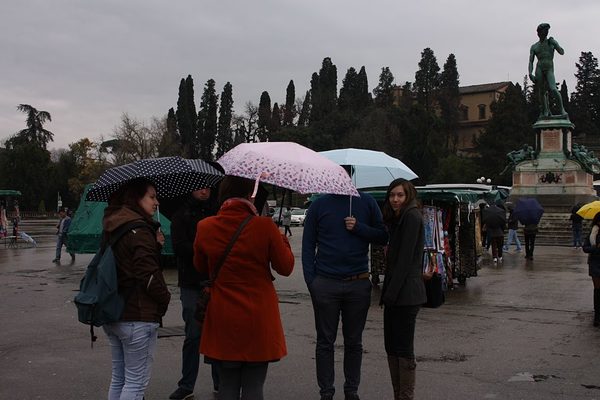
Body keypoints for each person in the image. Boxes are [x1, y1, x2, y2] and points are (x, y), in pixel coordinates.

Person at [193, 175, 294, 400]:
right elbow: (285, 267)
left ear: (222, 195)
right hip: (259, 315)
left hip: (223, 314)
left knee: (227, 383)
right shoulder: (264, 227)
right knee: (254, 385)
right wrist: (282, 239)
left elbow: (199, 266)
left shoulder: (205, 226)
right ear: (250, 195)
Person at [302, 189, 388, 400]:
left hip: (357, 282)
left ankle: (351, 391)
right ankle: (326, 392)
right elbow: (308, 244)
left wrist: (358, 227)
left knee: (354, 342)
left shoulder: (367, 202)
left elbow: (383, 235)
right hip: (325, 283)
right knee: (325, 341)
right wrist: (312, 281)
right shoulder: (318, 205)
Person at [101, 178, 171, 399]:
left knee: (120, 378)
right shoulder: (139, 230)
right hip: (138, 316)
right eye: (151, 196)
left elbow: (128, 266)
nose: (156, 202)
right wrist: (164, 298)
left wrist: (155, 246)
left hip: (114, 312)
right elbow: (147, 275)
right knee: (135, 384)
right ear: (136, 198)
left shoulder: (115, 225)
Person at [169, 187, 219, 400]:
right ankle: (187, 384)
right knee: (193, 333)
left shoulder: (217, 212)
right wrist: (202, 246)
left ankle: (220, 381)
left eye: (207, 187)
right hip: (191, 281)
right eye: (200, 187)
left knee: (218, 332)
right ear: (190, 189)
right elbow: (179, 248)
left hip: (216, 280)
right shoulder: (181, 215)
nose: (204, 191)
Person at [379, 179, 426, 400]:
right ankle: (398, 394)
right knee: (392, 347)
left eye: (400, 195)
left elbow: (405, 260)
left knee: (403, 349)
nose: (395, 199)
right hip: (397, 293)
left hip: (405, 294)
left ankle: (405, 396)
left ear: (408, 196)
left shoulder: (411, 216)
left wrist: (390, 294)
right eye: (392, 195)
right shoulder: (398, 219)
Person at [528, 22, 567, 118]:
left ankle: (562, 110)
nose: (546, 33)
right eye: (544, 31)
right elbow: (531, 61)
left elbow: (562, 52)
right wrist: (530, 73)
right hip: (539, 68)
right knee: (541, 92)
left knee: (553, 88)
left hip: (549, 67)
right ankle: (545, 110)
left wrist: (555, 44)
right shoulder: (534, 46)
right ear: (539, 33)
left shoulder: (551, 42)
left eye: (547, 31)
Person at [582, 212, 600, 327]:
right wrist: (596, 249)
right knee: (597, 290)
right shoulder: (592, 232)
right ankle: (597, 316)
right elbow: (585, 248)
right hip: (595, 263)